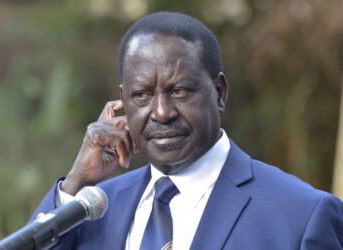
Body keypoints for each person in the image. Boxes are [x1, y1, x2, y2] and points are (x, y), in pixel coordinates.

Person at [30, 12, 343, 249]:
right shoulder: (90, 210)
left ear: (219, 93)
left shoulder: (302, 216)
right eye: (142, 95)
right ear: (123, 101)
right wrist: (75, 184)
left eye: (179, 91)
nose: (161, 112)